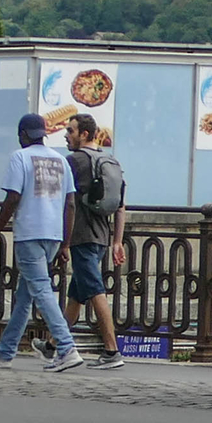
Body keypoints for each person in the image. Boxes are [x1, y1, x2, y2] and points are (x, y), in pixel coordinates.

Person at [0, 113, 82, 373]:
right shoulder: (61, 160)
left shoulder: (20, 157)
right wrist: (65, 243)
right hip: (53, 234)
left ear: (23, 136)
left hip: (29, 233)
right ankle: (5, 350)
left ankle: (66, 347)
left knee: (40, 290)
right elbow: (70, 203)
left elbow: (13, 197)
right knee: (25, 294)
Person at [61, 115, 129, 369]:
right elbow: (121, 206)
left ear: (85, 135)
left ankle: (111, 351)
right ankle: (53, 344)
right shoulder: (110, 161)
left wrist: (63, 241)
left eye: (71, 131)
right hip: (102, 237)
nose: (66, 135)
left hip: (81, 236)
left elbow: (63, 199)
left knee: (95, 291)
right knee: (76, 294)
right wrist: (117, 241)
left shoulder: (75, 161)